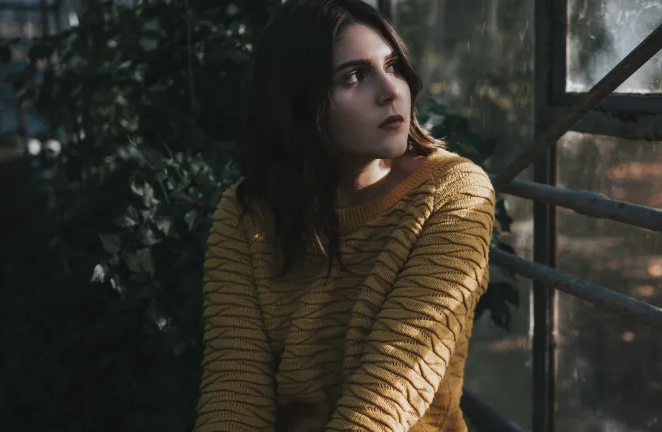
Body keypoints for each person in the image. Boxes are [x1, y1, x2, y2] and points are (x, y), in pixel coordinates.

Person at [194, 0, 495, 431]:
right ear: (297, 101)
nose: (390, 91)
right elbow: (234, 390)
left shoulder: (454, 193)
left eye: (392, 66)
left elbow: (386, 398)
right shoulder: (246, 214)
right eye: (353, 76)